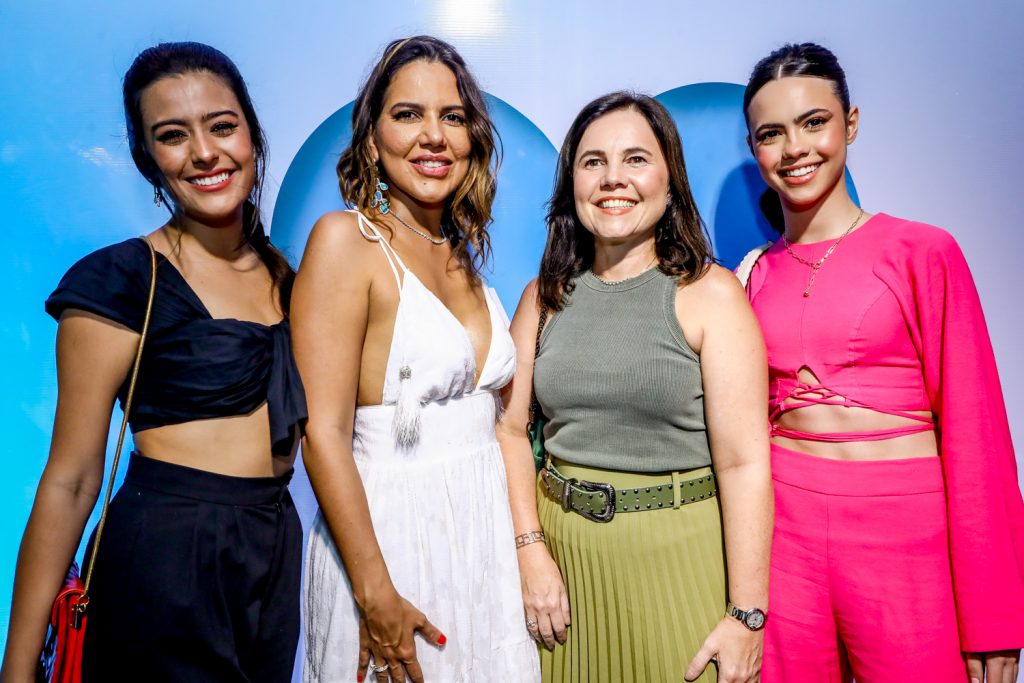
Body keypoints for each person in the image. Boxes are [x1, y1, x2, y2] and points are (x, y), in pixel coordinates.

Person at [1, 42, 306, 682]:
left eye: (222, 126)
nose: (204, 153)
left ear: (252, 133)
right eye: (173, 136)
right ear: (148, 160)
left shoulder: (289, 277)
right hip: (168, 555)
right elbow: (70, 480)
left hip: (274, 547)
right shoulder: (119, 278)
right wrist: (18, 669)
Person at [742, 42, 1024, 683]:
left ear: (851, 124)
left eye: (815, 122)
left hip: (907, 542)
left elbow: (976, 437)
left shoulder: (921, 250)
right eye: (771, 134)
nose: (795, 149)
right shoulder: (752, 276)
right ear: (755, 149)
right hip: (786, 547)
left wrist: (996, 618)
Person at [496, 91, 772, 683]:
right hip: (562, 574)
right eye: (592, 161)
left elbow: (746, 463)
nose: (612, 178)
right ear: (572, 182)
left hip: (677, 562)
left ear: (670, 179)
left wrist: (747, 616)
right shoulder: (542, 298)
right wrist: (528, 548)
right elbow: (510, 428)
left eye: (636, 159)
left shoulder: (712, 295)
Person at [294, 35, 539, 683]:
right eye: (408, 114)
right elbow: (321, 435)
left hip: (482, 538)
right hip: (394, 544)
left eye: (452, 117)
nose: (434, 135)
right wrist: (376, 595)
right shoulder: (346, 241)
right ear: (372, 139)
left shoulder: (461, 251)